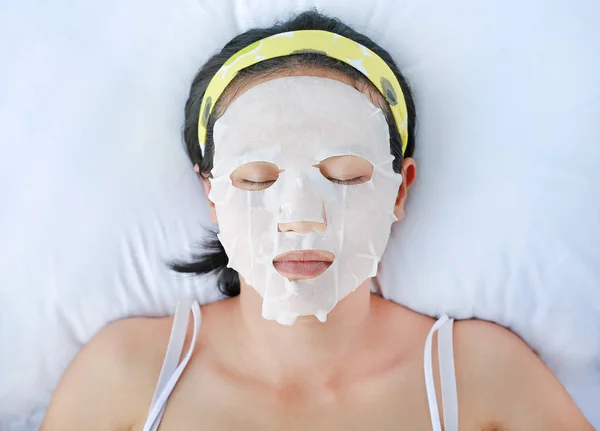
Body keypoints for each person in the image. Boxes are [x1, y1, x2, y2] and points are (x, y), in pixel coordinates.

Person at [41, 10, 592, 431]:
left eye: (347, 176)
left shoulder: (482, 374)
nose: (300, 216)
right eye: (256, 179)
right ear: (210, 194)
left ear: (401, 188)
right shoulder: (124, 373)